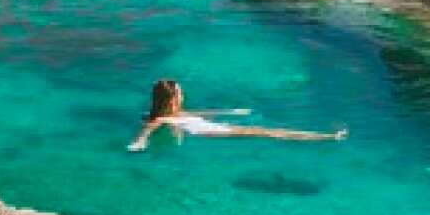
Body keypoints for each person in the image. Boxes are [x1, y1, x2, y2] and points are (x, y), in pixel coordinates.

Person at [127, 79, 346, 151]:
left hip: (214, 127)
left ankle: (324, 137)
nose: (184, 95)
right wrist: (139, 142)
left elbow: (200, 113)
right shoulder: (159, 118)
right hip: (212, 132)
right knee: (269, 133)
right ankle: (326, 138)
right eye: (181, 93)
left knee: (268, 132)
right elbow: (148, 129)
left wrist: (230, 111)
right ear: (173, 99)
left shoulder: (175, 113)